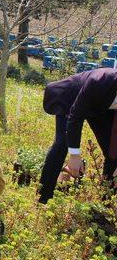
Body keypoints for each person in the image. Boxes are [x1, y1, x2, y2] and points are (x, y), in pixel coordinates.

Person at [39, 68, 117, 203]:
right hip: (72, 99)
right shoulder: (100, 80)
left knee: (113, 151)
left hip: (102, 107)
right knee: (62, 143)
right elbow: (75, 116)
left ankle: (106, 204)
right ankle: (44, 196)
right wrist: (74, 155)